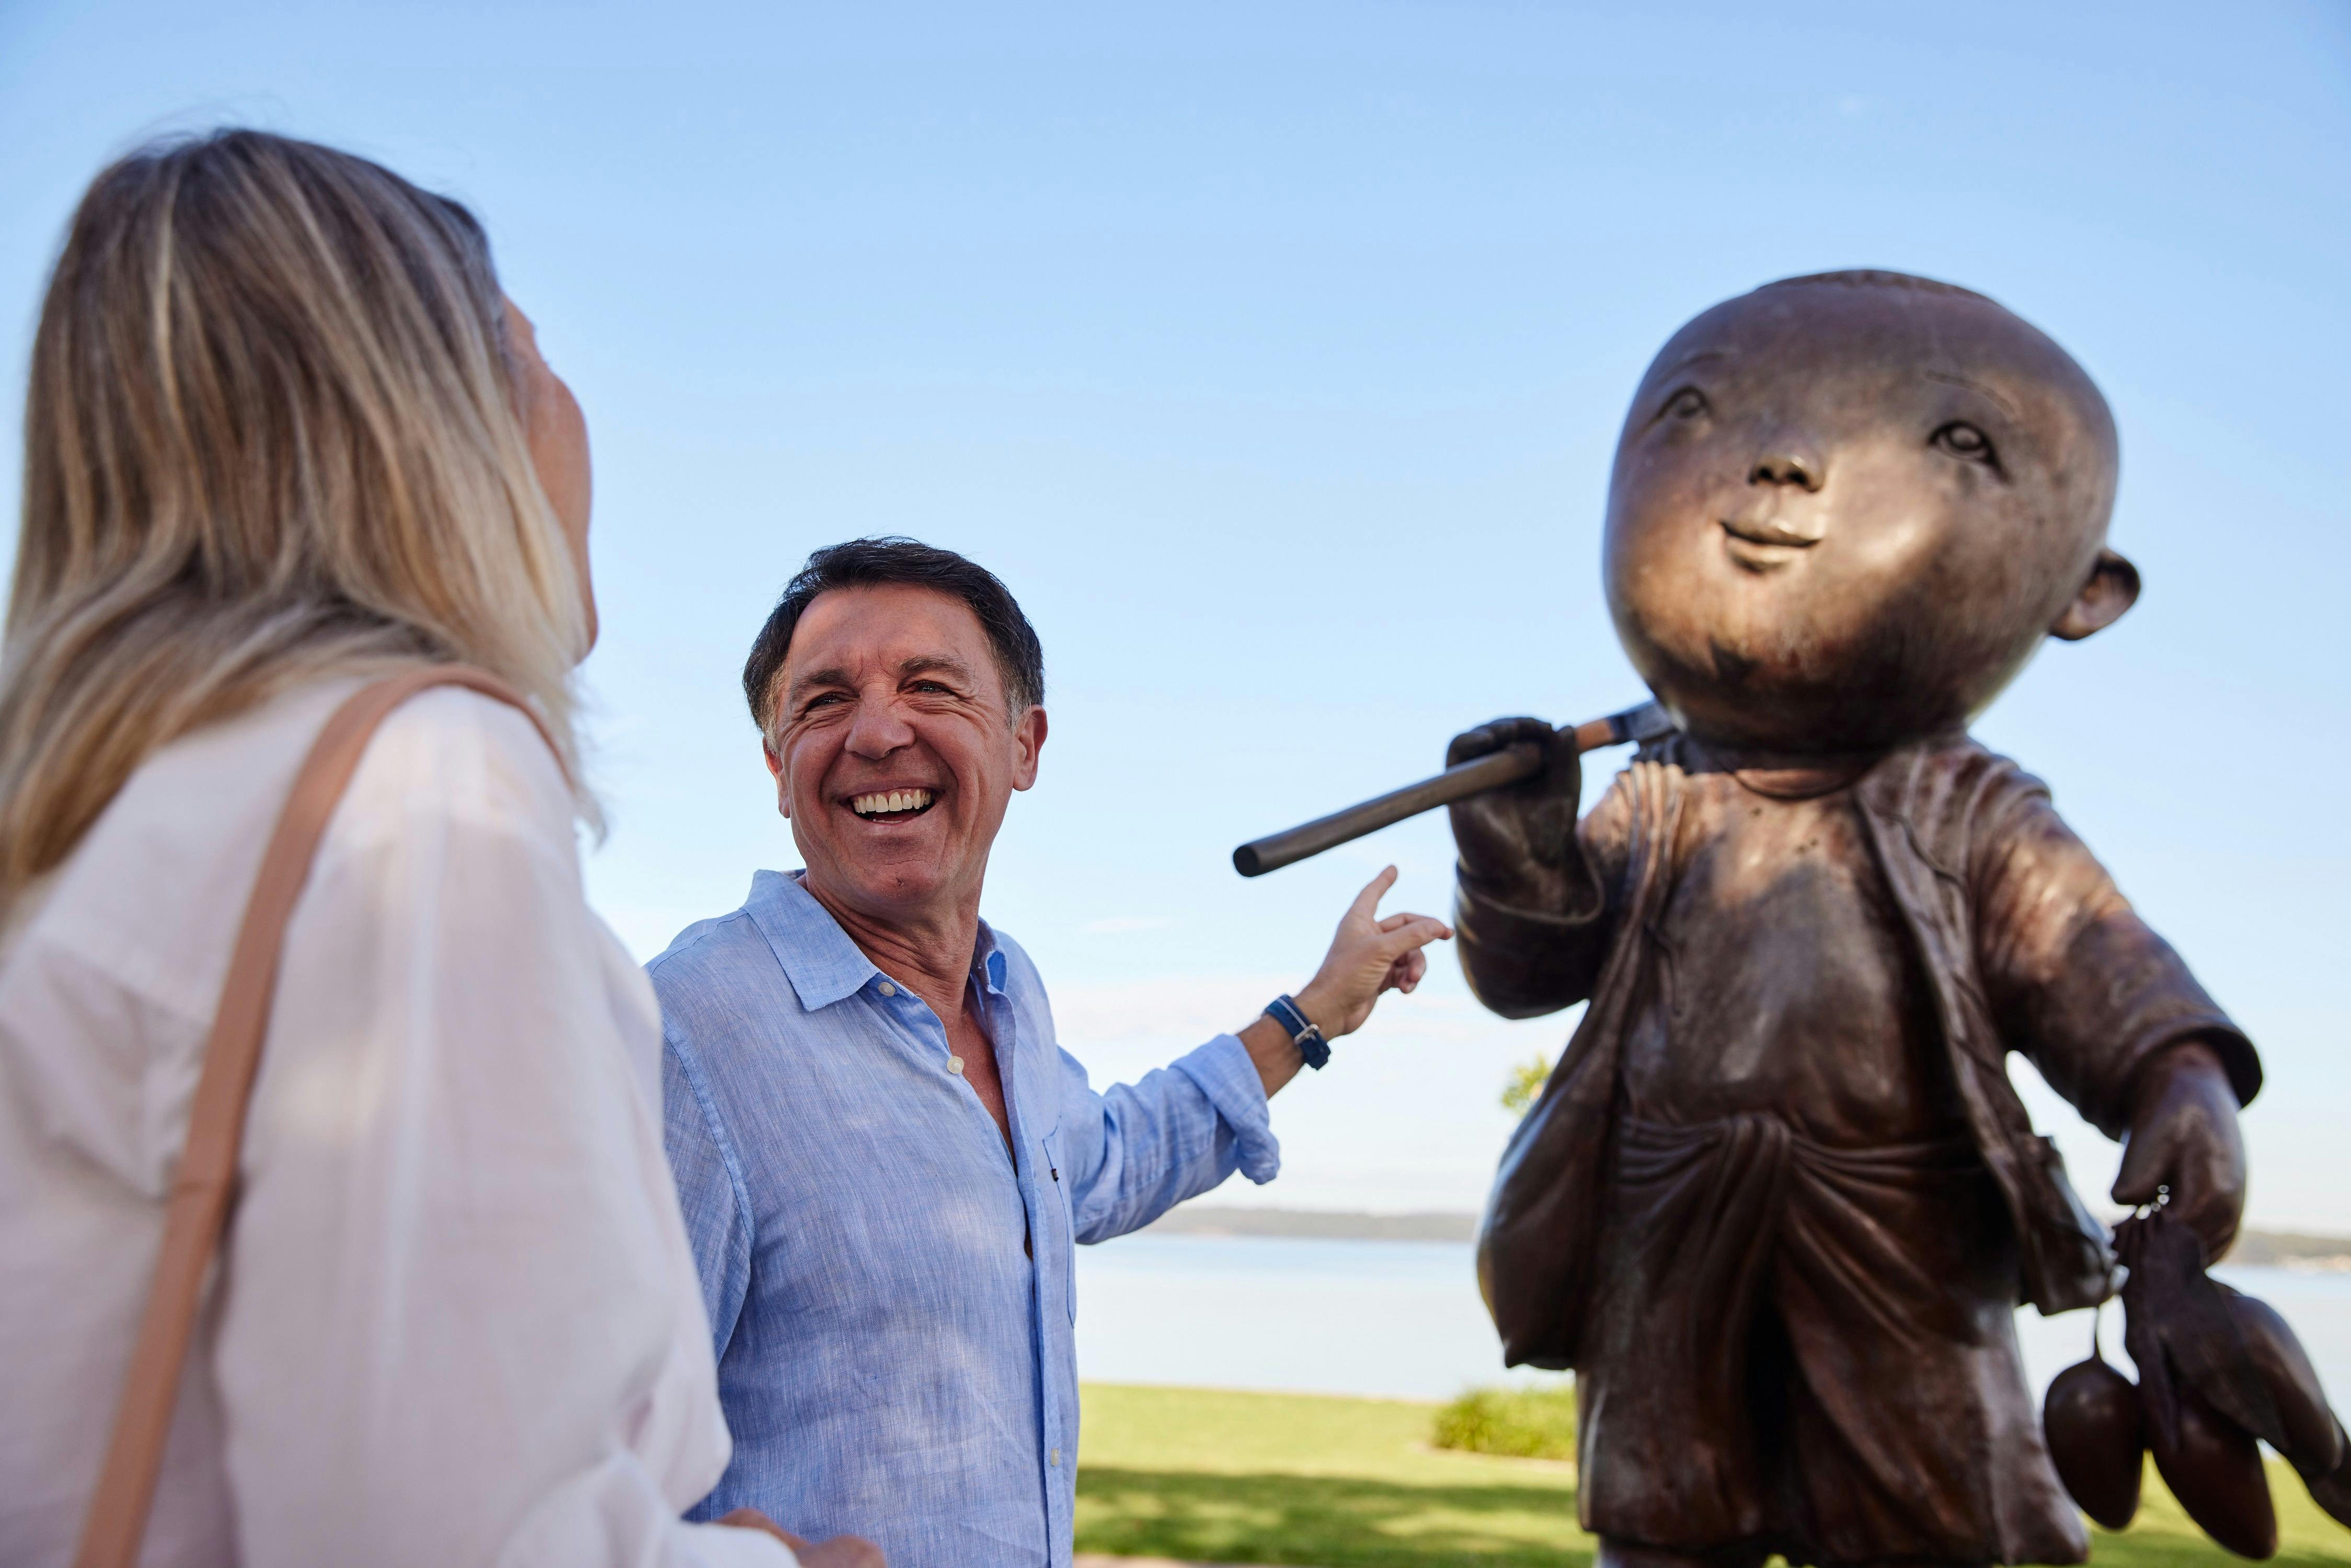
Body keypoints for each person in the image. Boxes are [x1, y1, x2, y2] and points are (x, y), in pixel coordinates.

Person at [0, 130, 873, 1568]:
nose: (575, 417)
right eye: (530, 360)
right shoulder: (420, 790)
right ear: (429, 429)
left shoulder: (103, 817)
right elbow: (454, 1536)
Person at [1455, 270, 2261, 1568]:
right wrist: (1517, 847)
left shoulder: (1966, 807)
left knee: (1946, 1521)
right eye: (1699, 413)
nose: (1780, 461)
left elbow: (2090, 957)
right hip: (1662, 1207)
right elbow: (1528, 974)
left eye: (1955, 441)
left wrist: (2178, 1075)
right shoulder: (1658, 791)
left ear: (2081, 591)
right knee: (1663, 1520)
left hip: (1901, 1219)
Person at [650, 537, 1452, 1568]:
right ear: (775, 765)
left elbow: (1103, 1158)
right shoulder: (683, 1029)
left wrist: (1310, 1016)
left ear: (1024, 746)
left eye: (929, 687)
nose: (877, 731)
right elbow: (559, 1450)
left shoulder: (1008, 993)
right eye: (822, 702)